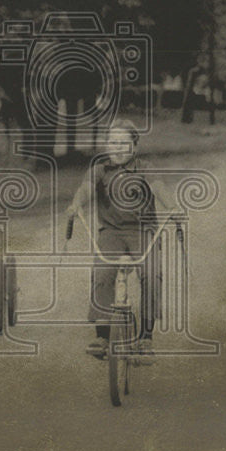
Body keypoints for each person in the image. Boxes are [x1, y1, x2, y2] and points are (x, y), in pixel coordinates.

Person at [66, 119, 180, 363]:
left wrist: (172, 207)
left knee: (151, 273)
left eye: (123, 143)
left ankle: (146, 336)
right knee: (102, 272)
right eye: (112, 142)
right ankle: (102, 336)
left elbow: (158, 187)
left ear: (134, 147)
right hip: (112, 232)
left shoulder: (144, 167)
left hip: (143, 231)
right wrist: (76, 204)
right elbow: (86, 188)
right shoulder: (99, 168)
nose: (117, 148)